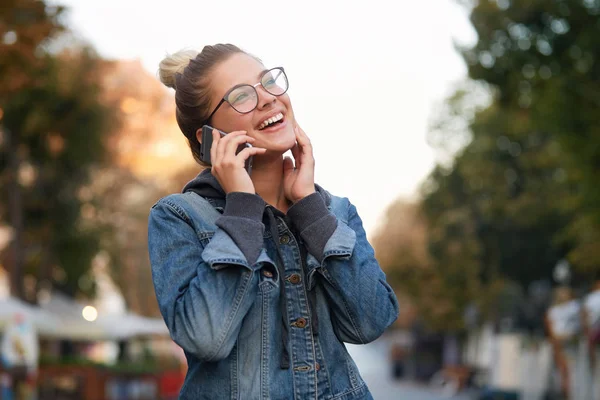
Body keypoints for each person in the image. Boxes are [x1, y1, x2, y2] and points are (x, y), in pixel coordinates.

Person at [147, 44, 399, 399]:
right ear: (209, 138)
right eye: (241, 96)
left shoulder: (334, 211)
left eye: (267, 82)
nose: (267, 99)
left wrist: (310, 209)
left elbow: (371, 323)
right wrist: (243, 210)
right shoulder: (179, 217)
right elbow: (207, 339)